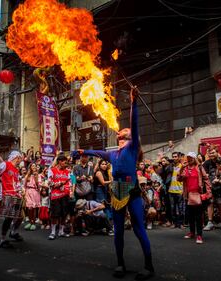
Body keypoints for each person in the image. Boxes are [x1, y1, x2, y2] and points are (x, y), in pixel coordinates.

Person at [73, 87, 154, 280]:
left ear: (129, 137)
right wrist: (82, 152)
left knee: (138, 228)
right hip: (117, 191)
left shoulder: (133, 148)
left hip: (132, 192)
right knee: (118, 230)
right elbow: (96, 153)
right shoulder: (113, 153)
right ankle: (120, 264)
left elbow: (134, 124)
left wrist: (134, 101)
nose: (121, 131)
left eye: (124, 131)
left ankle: (149, 266)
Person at [0, 151, 24, 248]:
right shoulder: (5, 164)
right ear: (17, 157)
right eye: (20, 158)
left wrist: (20, 191)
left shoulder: (16, 170)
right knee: (8, 218)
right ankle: (2, 240)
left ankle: (13, 232)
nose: (20, 161)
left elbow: (16, 184)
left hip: (15, 196)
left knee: (19, 216)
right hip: (6, 195)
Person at [178, 152, 204, 244]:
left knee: (198, 216)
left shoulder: (199, 167)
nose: (189, 159)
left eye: (191, 158)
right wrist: (181, 167)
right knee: (190, 215)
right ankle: (192, 232)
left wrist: (207, 192)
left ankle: (199, 235)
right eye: (188, 158)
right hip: (188, 195)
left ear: (194, 158)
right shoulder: (185, 169)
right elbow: (179, 179)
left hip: (198, 194)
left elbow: (205, 177)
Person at [202, 145, 221, 231]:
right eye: (210, 153)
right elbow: (204, 175)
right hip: (210, 187)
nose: (211, 154)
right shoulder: (206, 163)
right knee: (210, 204)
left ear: (217, 153)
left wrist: (218, 178)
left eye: (213, 152)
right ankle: (210, 222)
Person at [48, 155, 72, 240]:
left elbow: (69, 183)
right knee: (55, 214)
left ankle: (61, 231)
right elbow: (49, 183)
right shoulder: (52, 170)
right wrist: (56, 184)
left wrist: (70, 191)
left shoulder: (67, 172)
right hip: (55, 196)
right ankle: (53, 232)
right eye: (64, 162)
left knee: (64, 214)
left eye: (66, 162)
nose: (66, 164)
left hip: (65, 195)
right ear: (59, 162)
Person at [24, 163, 43, 231]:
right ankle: (30, 221)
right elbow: (24, 185)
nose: (34, 167)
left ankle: (33, 223)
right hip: (28, 191)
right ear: (30, 167)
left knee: (34, 208)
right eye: (32, 166)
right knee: (29, 208)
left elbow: (39, 186)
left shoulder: (38, 175)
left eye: (35, 166)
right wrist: (25, 192)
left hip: (35, 192)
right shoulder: (27, 175)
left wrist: (36, 178)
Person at [168, 152, 184, 228]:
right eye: (173, 157)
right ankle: (174, 223)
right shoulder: (170, 166)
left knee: (180, 208)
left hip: (180, 190)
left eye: (175, 157)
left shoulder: (182, 166)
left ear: (178, 157)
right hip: (171, 191)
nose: (174, 158)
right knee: (172, 208)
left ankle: (180, 223)